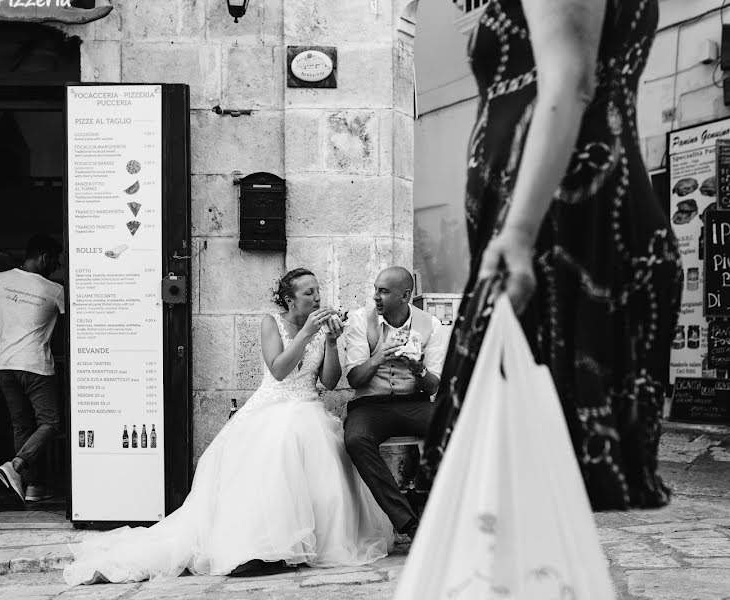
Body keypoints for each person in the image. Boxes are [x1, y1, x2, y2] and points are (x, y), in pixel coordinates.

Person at [423, 0, 682, 510]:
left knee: (508, 479)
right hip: (551, 223)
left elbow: (569, 81)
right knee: (512, 484)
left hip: (564, 232)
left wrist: (518, 231)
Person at [62, 268, 392, 585]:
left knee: (314, 443)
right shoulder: (271, 323)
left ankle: (307, 543)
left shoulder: (323, 330)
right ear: (290, 300)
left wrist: (332, 342)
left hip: (309, 406)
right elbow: (278, 370)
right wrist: (306, 332)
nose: (318, 298)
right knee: (281, 442)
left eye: (318, 291)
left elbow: (329, 382)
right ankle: (262, 548)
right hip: (272, 407)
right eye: (310, 293)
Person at [342, 266, 447, 539]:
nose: (376, 297)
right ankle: (408, 522)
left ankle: (440, 506)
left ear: (405, 295)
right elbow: (354, 379)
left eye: (384, 291)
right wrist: (379, 357)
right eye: (376, 289)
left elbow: (434, 384)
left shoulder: (431, 325)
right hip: (370, 404)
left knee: (452, 427)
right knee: (356, 440)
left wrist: (418, 369)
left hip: (414, 401)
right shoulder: (359, 320)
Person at [0, 233, 66, 504]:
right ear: (45, 257)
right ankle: (18, 465)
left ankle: (32, 486)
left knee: (21, 425)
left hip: (4, 365)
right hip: (36, 365)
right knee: (49, 423)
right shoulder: (55, 290)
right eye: (55, 262)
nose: (56, 267)